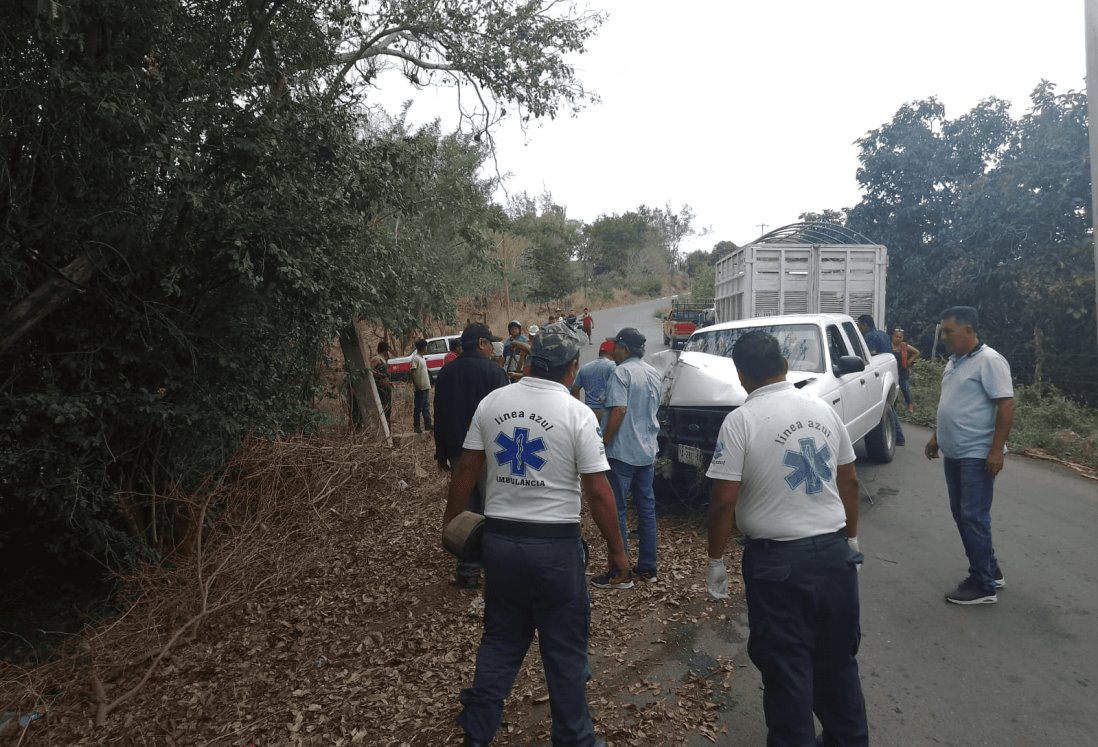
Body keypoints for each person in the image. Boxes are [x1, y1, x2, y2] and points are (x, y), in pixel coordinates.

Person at [443, 322, 627, 747]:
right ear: (572, 368)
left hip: (501, 544)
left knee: (501, 639)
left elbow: (467, 468)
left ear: (527, 360)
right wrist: (618, 551)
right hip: (556, 550)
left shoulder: (493, 403)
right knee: (564, 651)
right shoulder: (577, 414)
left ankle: (477, 732)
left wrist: (452, 523)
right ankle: (575, 740)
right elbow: (598, 492)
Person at [705, 330, 867, 747]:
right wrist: (850, 540)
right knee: (838, 664)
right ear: (784, 365)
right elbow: (848, 480)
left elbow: (724, 501)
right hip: (835, 558)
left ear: (742, 375)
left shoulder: (741, 420)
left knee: (788, 668)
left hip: (778, 566)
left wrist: (715, 559)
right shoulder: (822, 410)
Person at [925, 306, 1014, 605]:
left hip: (976, 454)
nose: (944, 336)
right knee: (964, 516)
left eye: (948, 331)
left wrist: (995, 450)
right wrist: (937, 437)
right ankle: (991, 571)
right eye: (942, 331)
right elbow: (953, 403)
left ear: (969, 330)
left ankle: (982, 585)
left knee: (972, 517)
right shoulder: (955, 361)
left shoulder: (989, 360)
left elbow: (1005, 406)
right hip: (955, 452)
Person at [434, 323, 510, 588]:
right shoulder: (494, 372)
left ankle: (467, 571)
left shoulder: (445, 373)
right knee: (495, 509)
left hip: (458, 452)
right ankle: (499, 572)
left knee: (466, 510)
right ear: (480, 343)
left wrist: (441, 452)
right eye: (490, 343)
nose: (492, 348)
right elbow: (506, 416)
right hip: (490, 455)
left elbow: (439, 415)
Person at [592, 327, 662, 589]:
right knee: (646, 509)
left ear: (625, 349)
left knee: (617, 510)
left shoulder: (621, 373)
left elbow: (619, 410)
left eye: (616, 347)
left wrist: (604, 441)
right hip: (647, 451)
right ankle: (648, 568)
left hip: (622, 453)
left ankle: (618, 573)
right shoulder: (653, 372)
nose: (613, 351)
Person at [858, 314, 903, 444]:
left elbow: (870, 356)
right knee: (890, 406)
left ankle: (898, 437)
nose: (858, 327)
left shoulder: (869, 337)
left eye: (859, 324)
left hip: (878, 374)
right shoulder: (883, 334)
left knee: (885, 408)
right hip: (889, 371)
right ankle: (899, 437)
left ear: (865, 325)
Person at [570, 340, 616, 422]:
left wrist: (579, 409)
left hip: (590, 412)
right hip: (607, 412)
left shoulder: (585, 368)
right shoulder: (613, 367)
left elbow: (574, 389)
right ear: (612, 352)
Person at [892, 328, 921, 414]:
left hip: (902, 371)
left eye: (900, 337)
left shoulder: (904, 346)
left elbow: (917, 352)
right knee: (893, 390)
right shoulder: (888, 345)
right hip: (892, 371)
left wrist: (910, 360)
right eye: (896, 336)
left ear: (902, 338)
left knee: (905, 389)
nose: (898, 338)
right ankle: (893, 407)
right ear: (893, 337)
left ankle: (910, 405)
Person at [410, 339, 433, 433]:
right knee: (418, 407)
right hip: (420, 388)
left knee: (426, 406)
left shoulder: (422, 358)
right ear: (423, 347)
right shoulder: (415, 358)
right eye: (426, 346)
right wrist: (417, 385)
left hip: (425, 387)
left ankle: (428, 424)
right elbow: (413, 372)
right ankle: (417, 426)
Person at [370, 341, 393, 426]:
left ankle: (388, 427)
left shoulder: (383, 359)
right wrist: (382, 376)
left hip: (386, 387)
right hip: (380, 387)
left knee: (388, 407)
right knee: (383, 406)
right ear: (385, 349)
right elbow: (371, 371)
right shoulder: (376, 359)